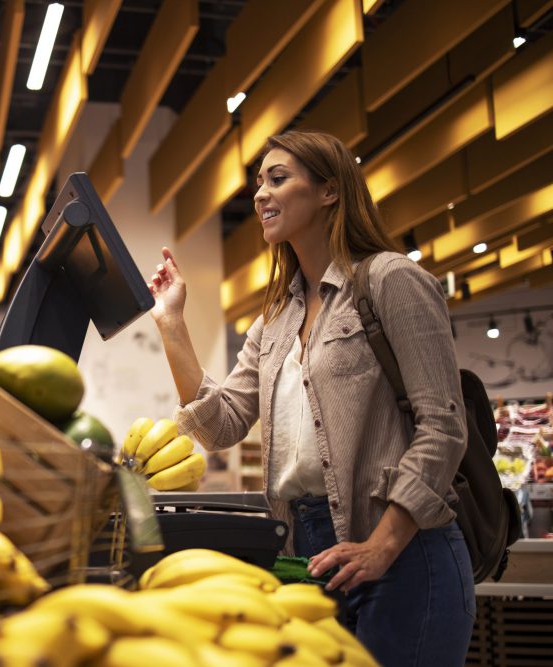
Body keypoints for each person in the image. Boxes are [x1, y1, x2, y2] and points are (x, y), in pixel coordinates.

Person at [148, 130, 475, 666]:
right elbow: (221, 425)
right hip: (309, 554)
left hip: (404, 549)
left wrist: (382, 546)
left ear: (329, 191)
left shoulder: (390, 279)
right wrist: (172, 324)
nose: (259, 194)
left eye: (278, 179)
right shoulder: (276, 320)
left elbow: (443, 427)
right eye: (258, 183)